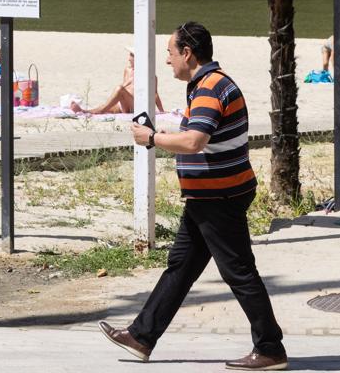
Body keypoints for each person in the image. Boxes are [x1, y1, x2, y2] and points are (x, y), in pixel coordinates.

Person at [100, 22, 287, 371]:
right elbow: (201, 136)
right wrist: (172, 134)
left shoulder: (209, 88)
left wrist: (153, 138)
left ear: (188, 53)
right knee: (181, 268)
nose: (168, 61)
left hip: (219, 197)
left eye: (170, 53)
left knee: (239, 272)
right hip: (210, 197)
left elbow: (195, 142)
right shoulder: (207, 85)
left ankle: (270, 347)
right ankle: (142, 336)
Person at [71, 49, 165, 115]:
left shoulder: (149, 76)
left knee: (119, 89)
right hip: (123, 104)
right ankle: (85, 112)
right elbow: (125, 89)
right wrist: (128, 82)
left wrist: (162, 111)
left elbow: (155, 95)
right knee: (105, 107)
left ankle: (93, 111)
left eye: (131, 55)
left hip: (135, 107)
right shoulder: (127, 70)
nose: (129, 59)